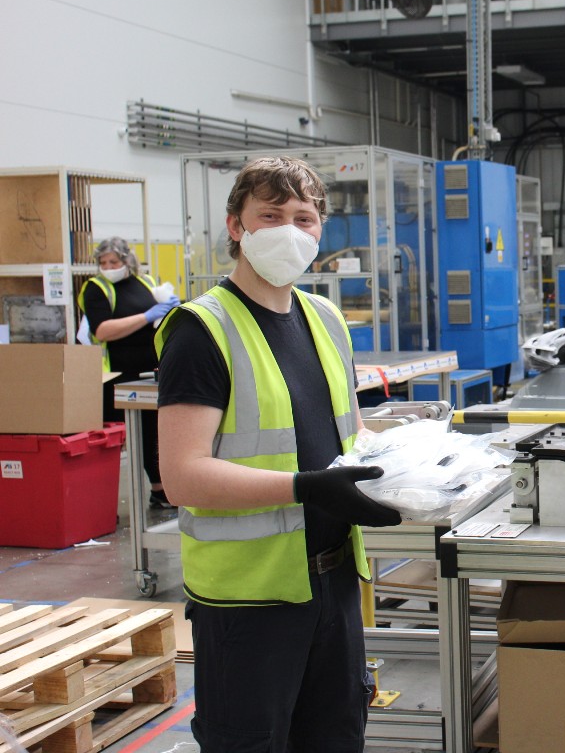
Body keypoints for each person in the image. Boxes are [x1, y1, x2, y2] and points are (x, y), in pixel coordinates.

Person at [155, 155, 402, 752]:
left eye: (305, 217)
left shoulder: (325, 318)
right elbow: (182, 476)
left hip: (336, 582)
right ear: (236, 226)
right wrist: (305, 487)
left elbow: (350, 436)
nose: (290, 230)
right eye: (270, 214)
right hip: (250, 601)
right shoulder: (202, 330)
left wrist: (408, 466)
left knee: (337, 738)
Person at [79, 237, 180, 508]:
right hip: (116, 375)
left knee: (155, 432)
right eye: (103, 263)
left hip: (150, 371)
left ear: (127, 261)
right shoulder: (96, 289)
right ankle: (102, 500)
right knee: (121, 437)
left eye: (114, 261)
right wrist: (147, 316)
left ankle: (161, 489)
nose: (108, 267)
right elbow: (102, 331)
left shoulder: (145, 282)